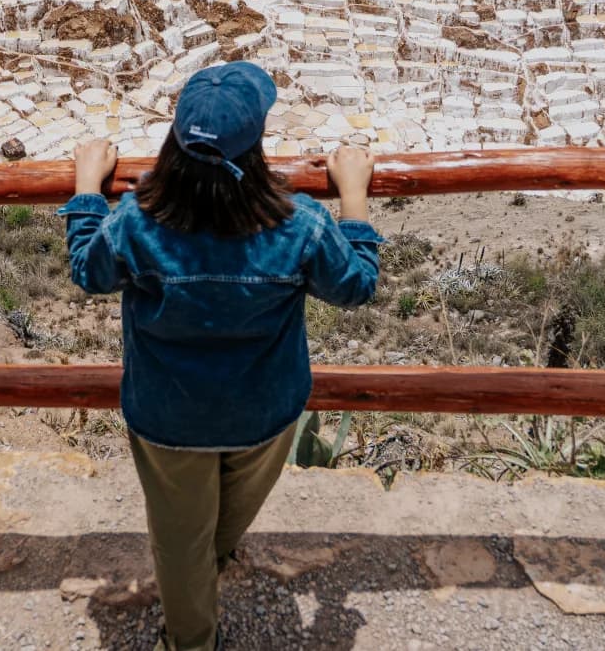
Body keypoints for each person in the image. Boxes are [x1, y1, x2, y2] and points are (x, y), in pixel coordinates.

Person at [59, 61, 382, 651]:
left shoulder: (136, 222)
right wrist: (354, 197)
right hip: (263, 410)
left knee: (180, 540)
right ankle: (215, 559)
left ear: (174, 140)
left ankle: (191, 636)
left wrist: (86, 188)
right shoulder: (301, 224)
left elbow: (89, 271)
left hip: (169, 414)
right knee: (232, 512)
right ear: (256, 144)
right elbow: (356, 286)